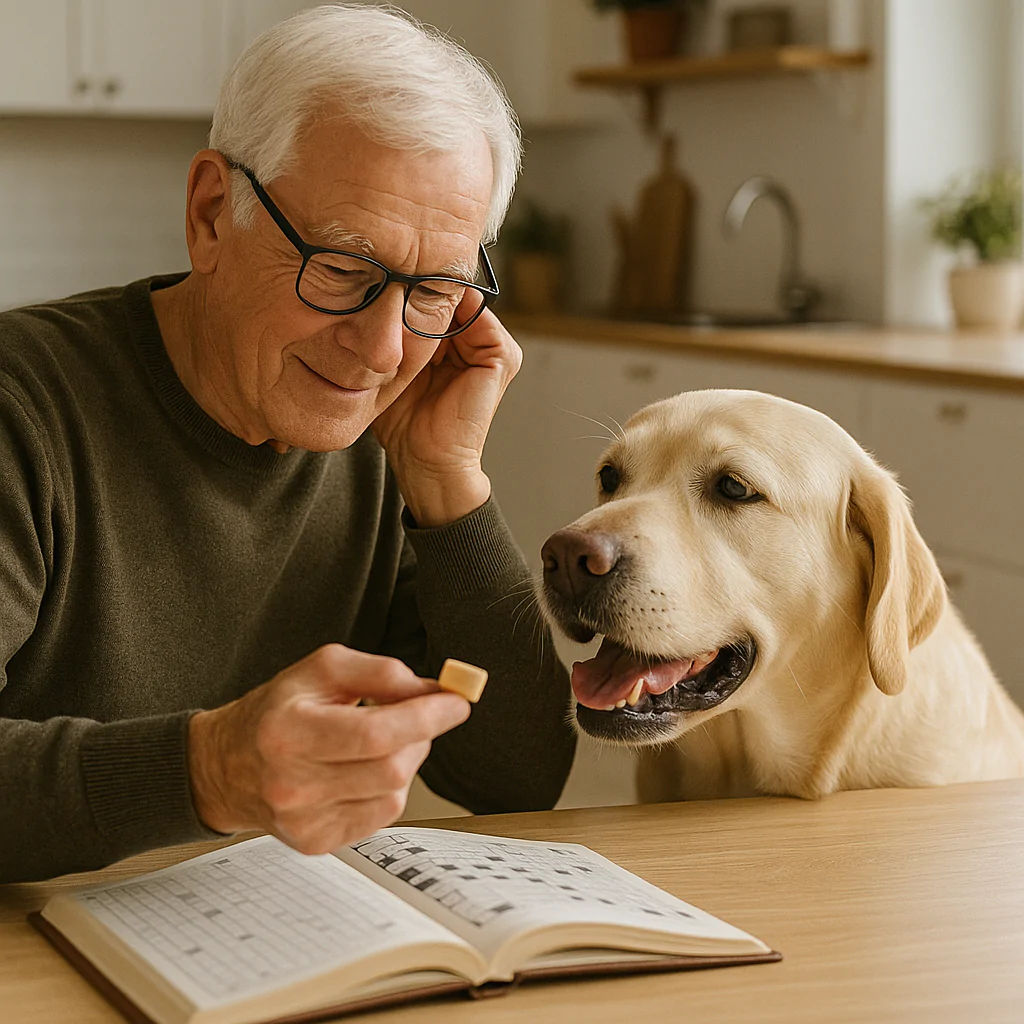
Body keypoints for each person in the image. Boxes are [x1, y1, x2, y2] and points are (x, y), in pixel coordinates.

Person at [0, 4, 575, 884]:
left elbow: (517, 776)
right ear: (210, 215)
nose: (384, 351)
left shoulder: (384, 441)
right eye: (342, 268)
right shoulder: (22, 409)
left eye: (434, 290)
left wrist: (447, 482)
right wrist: (208, 770)